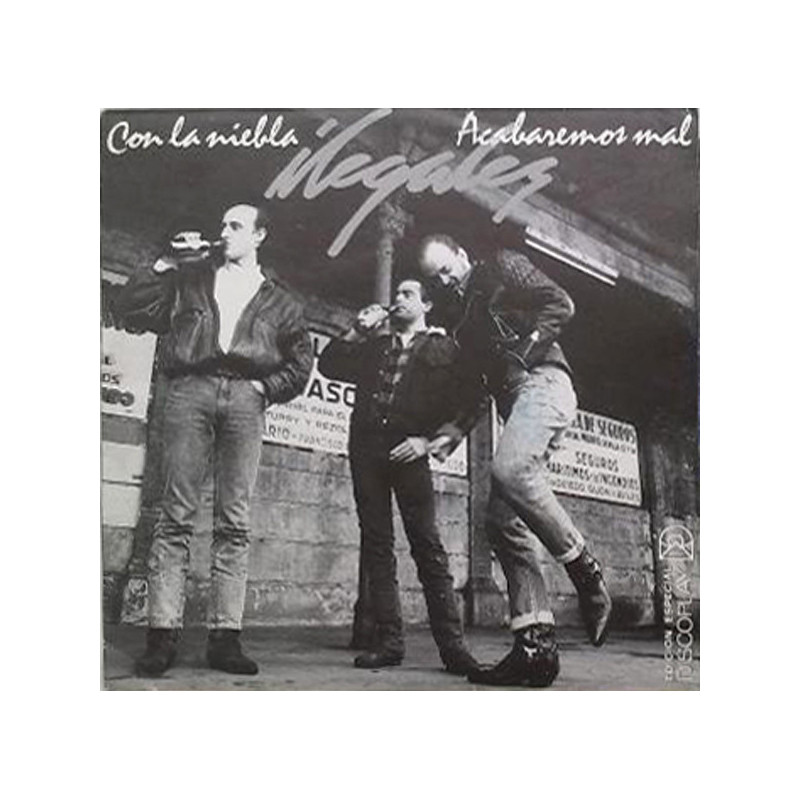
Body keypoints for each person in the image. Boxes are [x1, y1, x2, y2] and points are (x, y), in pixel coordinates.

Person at [117, 203, 312, 677]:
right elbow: (130, 308)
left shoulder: (283, 301)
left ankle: (226, 639)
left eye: (235, 225)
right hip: (190, 390)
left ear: (259, 236)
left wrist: (265, 388)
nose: (223, 231)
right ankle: (161, 636)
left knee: (235, 521)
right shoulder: (190, 278)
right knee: (174, 515)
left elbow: (300, 362)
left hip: (247, 398)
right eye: (222, 224)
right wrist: (165, 262)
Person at [418, 234, 612, 688]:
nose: (445, 280)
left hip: (544, 383)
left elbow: (560, 303)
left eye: (447, 268)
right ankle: (535, 648)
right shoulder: (461, 322)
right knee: (502, 522)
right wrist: (453, 430)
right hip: (518, 403)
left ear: (462, 253)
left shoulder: (502, 266)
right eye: (435, 278)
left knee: (510, 470)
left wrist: (525, 351)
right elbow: (477, 387)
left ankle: (586, 572)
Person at [318, 279, 485, 674]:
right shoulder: (375, 345)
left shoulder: (445, 348)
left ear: (426, 305)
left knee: (427, 546)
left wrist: (428, 442)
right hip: (366, 452)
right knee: (377, 546)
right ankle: (389, 643)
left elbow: (475, 399)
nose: (398, 299)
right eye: (397, 294)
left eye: (408, 294)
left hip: (410, 452)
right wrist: (358, 329)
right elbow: (328, 366)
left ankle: (453, 649)